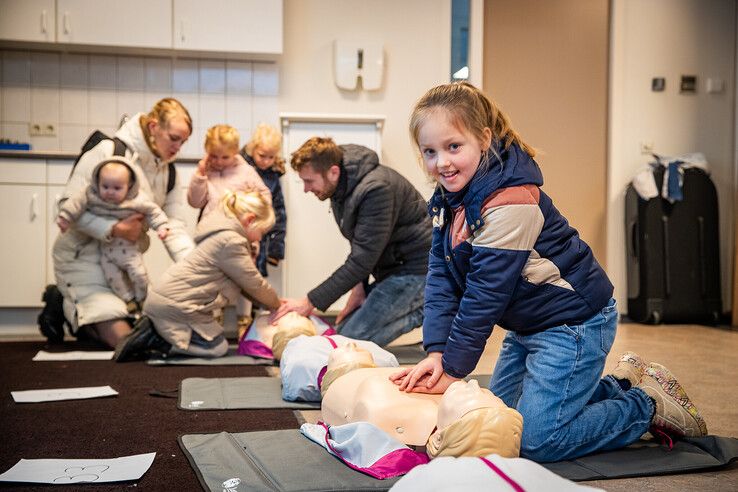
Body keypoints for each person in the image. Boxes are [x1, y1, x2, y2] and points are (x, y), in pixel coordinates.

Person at [390, 82, 707, 462]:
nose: (442, 162)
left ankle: (647, 404)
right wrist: (437, 351)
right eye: (430, 151)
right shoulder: (447, 201)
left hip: (572, 324)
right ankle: (622, 383)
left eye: (453, 147)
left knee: (535, 440)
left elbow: (484, 294)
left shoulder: (509, 200)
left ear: (484, 139)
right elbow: (441, 278)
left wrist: (454, 368)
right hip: (529, 326)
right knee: (501, 421)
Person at [43, 98, 195, 348]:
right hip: (82, 257)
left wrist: (194, 267)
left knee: (154, 329)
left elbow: (173, 225)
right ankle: (64, 304)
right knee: (124, 341)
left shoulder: (168, 172)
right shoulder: (108, 151)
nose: (178, 147)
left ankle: (82, 314)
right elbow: (67, 205)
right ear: (154, 127)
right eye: (174, 138)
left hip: (122, 262)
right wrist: (116, 229)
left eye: (184, 141)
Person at [272, 137, 432, 347]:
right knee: (343, 331)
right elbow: (363, 243)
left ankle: (426, 309)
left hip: (416, 269)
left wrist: (308, 302)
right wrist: (359, 289)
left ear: (333, 172)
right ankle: (421, 305)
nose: (306, 189)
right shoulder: (342, 186)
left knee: (347, 342)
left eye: (309, 181)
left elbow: (362, 258)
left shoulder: (376, 189)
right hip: (393, 267)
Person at [114, 190, 281, 361]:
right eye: (262, 231)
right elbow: (253, 282)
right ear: (250, 220)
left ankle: (155, 333)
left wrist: (269, 304)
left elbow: (245, 284)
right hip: (176, 306)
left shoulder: (222, 236)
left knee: (217, 338)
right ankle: (157, 340)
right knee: (217, 349)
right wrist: (277, 304)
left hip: (172, 302)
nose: (260, 237)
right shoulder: (231, 242)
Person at [322, 367, 522, 456]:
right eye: (485, 392)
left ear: (443, 434)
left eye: (470, 394)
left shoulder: (384, 411)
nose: (475, 383)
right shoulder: (451, 409)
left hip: (344, 380)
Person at [187, 124, 270, 334]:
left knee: (245, 278)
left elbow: (265, 197)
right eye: (214, 156)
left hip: (242, 236)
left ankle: (244, 323)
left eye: (225, 157)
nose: (219, 162)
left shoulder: (246, 171)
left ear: (235, 152)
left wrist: (254, 217)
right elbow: (195, 201)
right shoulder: (207, 171)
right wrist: (200, 174)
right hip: (212, 236)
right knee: (212, 280)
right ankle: (214, 323)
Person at [56, 157, 170, 311]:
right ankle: (128, 299)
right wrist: (65, 217)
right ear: (97, 183)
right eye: (105, 186)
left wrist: (162, 227)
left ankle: (142, 299)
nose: (110, 192)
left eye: (117, 188)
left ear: (129, 186)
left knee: (139, 275)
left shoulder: (137, 199)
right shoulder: (92, 195)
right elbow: (74, 203)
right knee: (113, 278)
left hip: (130, 252)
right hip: (106, 252)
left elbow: (154, 211)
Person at [240, 123, 287, 278]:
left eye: (271, 157)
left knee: (255, 279)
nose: (266, 161)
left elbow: (279, 213)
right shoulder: (239, 169)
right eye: (262, 155)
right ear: (252, 149)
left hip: (261, 237)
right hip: (239, 231)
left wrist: (275, 249)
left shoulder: (273, 176)